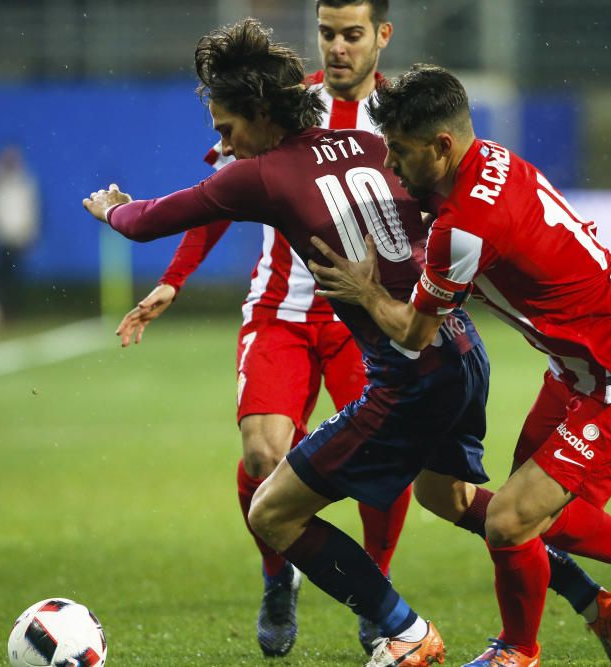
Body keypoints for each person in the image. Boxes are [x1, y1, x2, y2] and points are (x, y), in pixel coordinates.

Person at [84, 20, 611, 667]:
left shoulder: (260, 175)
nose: (222, 142)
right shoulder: (366, 144)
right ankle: (599, 593)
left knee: (273, 512)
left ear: (261, 114)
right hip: (461, 351)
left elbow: (151, 219)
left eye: (227, 127)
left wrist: (113, 207)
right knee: (449, 499)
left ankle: (402, 631)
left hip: (409, 375)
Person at [309, 64, 611, 666]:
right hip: (578, 370)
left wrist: (363, 293)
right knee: (522, 520)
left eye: (401, 153)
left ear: (441, 145)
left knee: (512, 520)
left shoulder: (464, 228)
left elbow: (412, 332)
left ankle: (523, 649)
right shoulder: (489, 159)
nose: (392, 167)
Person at [113, 0, 410, 657]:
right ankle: (281, 574)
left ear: (382, 36)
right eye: (327, 33)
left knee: (387, 463)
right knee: (260, 452)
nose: (335, 47)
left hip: (364, 315)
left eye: (350, 34)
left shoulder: (403, 118)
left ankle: (377, 588)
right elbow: (225, 191)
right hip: (281, 306)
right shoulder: (282, 106)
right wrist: (174, 277)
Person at [0, 143, 40, 318]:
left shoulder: (25, 184)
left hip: (18, 238)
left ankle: (13, 312)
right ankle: (1, 312)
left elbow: (31, 210)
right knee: (1, 279)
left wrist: (28, 232)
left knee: (16, 278)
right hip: (1, 239)